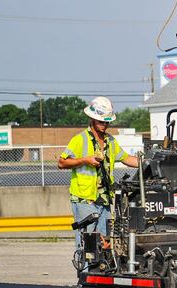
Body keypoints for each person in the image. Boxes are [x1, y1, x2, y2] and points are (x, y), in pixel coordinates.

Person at [58, 96, 139, 250]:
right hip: (85, 200)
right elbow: (62, 163)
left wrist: (145, 162)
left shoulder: (110, 141)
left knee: (105, 244)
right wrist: (85, 160)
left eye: (107, 122)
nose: (105, 125)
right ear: (92, 119)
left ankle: (100, 273)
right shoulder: (79, 140)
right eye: (102, 121)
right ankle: (85, 274)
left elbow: (126, 158)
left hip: (105, 201)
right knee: (87, 246)